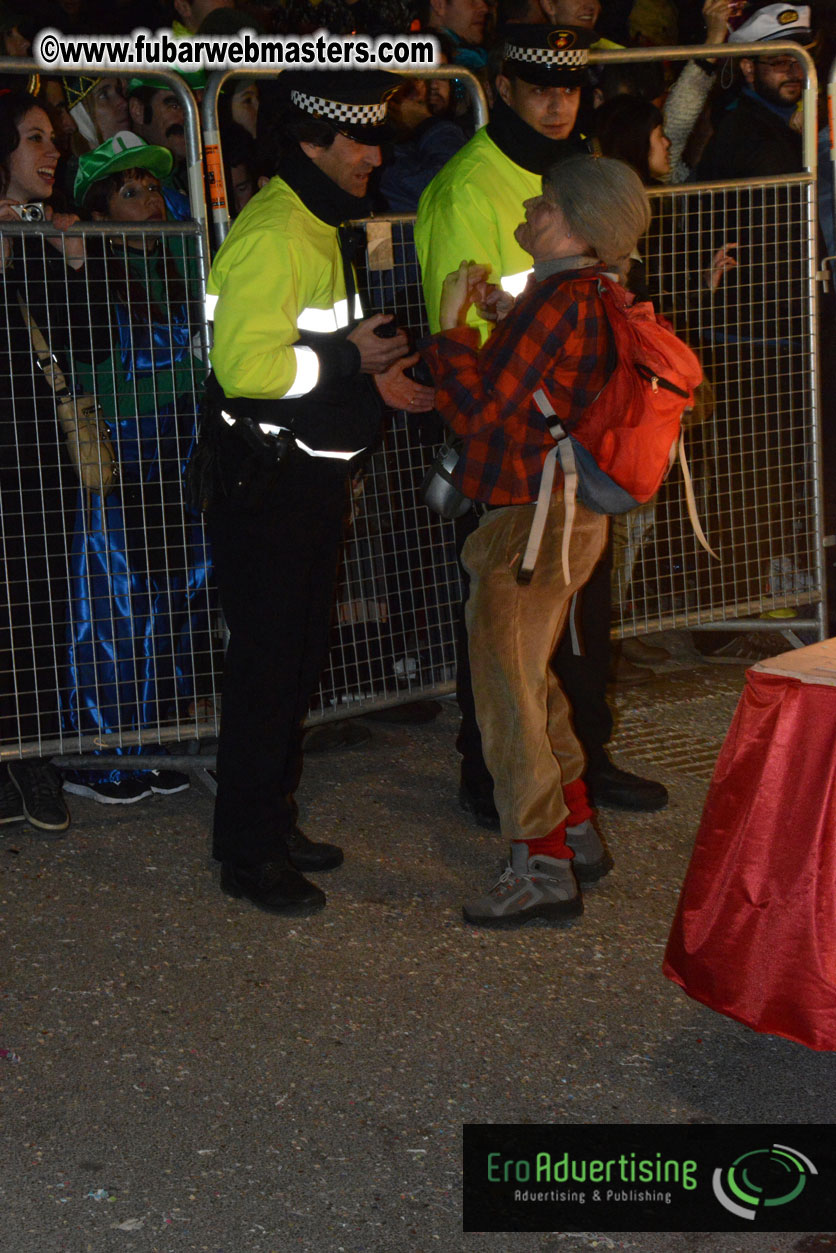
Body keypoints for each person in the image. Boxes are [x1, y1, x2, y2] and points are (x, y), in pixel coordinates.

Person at [415, 23, 669, 823]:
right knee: (507, 647)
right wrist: (478, 332)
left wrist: (499, 324)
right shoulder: (472, 187)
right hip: (520, 452)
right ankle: (505, 783)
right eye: (539, 88)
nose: (558, 103)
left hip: (563, 452)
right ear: (506, 91)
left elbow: (548, 317)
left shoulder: (571, 175)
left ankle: (569, 794)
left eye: (568, 87)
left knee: (541, 638)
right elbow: (478, 355)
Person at [200, 71, 435, 916]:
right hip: (269, 486)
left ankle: (269, 818)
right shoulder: (275, 233)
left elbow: (327, 342)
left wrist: (380, 379)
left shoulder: (323, 222)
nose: (376, 155)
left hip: (307, 479)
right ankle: (248, 850)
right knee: (269, 669)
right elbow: (246, 369)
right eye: (359, 141)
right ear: (310, 144)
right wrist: (352, 363)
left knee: (294, 662)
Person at [422, 154, 652, 926]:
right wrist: (494, 309)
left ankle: (542, 863)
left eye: (548, 204)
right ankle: (575, 826)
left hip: (530, 521)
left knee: (506, 693)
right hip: (557, 517)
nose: (531, 207)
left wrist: (450, 328)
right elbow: (530, 380)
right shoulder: (578, 292)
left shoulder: (560, 302)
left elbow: (481, 410)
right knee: (530, 678)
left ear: (581, 229)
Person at [59, 131, 211, 804]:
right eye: (130, 190)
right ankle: (105, 751)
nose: (148, 199)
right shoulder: (89, 269)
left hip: (179, 449)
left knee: (170, 597)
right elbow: (96, 364)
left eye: (152, 187)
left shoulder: (177, 257)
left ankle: (154, 736)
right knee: (117, 602)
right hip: (127, 454)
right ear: (101, 205)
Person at [0, 91, 84, 834]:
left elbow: (82, 353)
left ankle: (33, 752)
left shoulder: (46, 236)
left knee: (40, 599)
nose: (51, 151)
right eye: (34, 140)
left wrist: (72, 260)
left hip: (38, 452)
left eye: (53, 138)